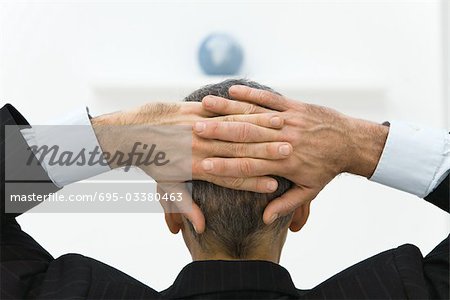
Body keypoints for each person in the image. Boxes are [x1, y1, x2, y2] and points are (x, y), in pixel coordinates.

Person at [1, 79, 448, 299]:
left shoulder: (74, 293)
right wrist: (359, 144)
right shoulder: (401, 292)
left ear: (173, 212)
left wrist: (114, 137)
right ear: (299, 213)